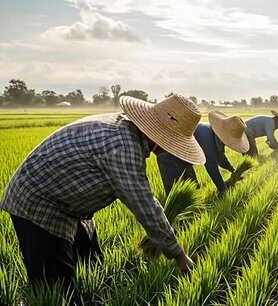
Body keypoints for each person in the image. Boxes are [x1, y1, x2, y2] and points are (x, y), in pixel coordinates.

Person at [0, 94, 204, 286]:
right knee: (56, 283)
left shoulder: (124, 127)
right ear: (161, 137)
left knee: (92, 263)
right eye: (173, 143)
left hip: (71, 206)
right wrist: (179, 255)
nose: (171, 149)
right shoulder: (122, 146)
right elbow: (144, 203)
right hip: (39, 205)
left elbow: (143, 199)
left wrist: (159, 238)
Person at [156, 110, 249, 195]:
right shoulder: (206, 134)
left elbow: (220, 156)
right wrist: (223, 190)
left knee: (193, 192)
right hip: (169, 156)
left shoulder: (214, 134)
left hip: (184, 159)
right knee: (177, 194)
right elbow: (211, 167)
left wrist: (232, 170)